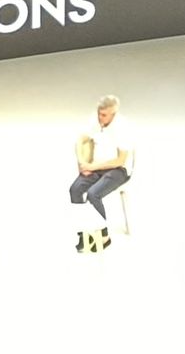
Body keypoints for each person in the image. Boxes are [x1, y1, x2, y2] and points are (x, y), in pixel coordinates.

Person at [68, 94, 132, 252]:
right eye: (99, 113)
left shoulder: (122, 128)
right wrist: (82, 162)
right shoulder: (95, 121)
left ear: (113, 114)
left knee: (93, 194)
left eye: (103, 115)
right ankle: (85, 233)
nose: (100, 117)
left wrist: (93, 167)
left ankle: (102, 236)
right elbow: (80, 140)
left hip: (117, 170)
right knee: (75, 189)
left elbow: (120, 160)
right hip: (95, 167)